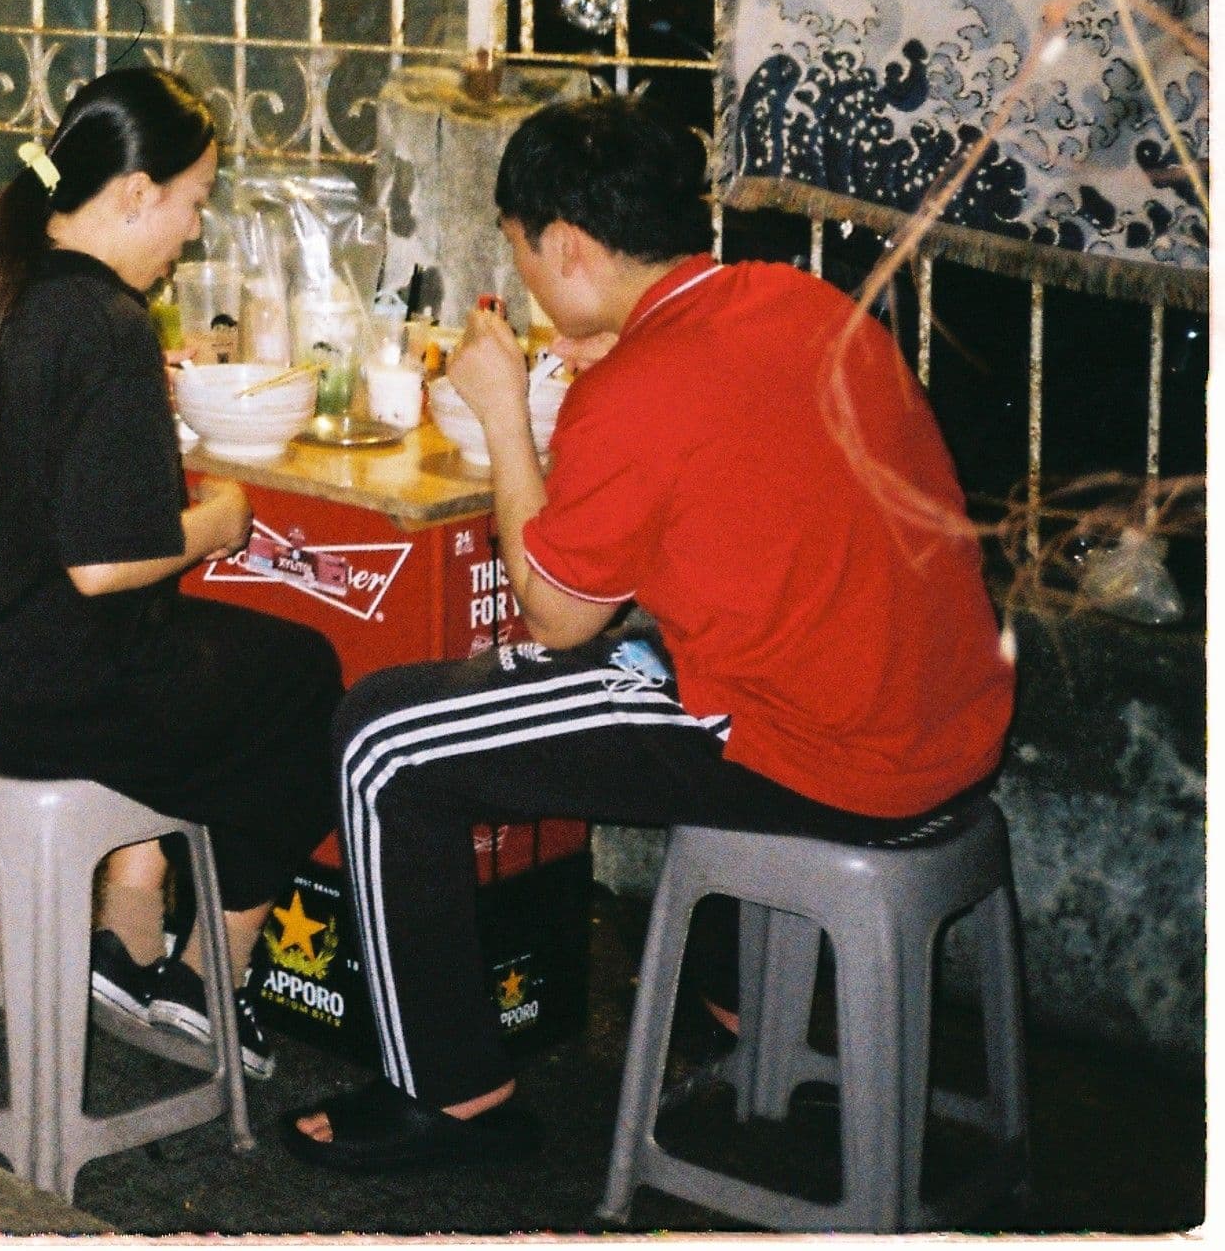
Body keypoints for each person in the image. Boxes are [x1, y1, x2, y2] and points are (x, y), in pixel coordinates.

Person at [285, 95, 1015, 1173]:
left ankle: (450, 1095)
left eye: (522, 249)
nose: (525, 273)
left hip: (835, 757)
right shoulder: (800, 300)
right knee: (684, 656)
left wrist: (499, 414)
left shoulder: (638, 386)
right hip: (948, 723)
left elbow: (562, 614)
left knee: (387, 739)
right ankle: (735, 999)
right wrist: (615, 382)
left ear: (567, 246)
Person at [0, 65, 338, 1084]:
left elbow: (25, 474)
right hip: (32, 697)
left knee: (207, 665)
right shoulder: (103, 322)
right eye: (193, 202)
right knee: (300, 679)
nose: (194, 233)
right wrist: (218, 521)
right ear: (135, 195)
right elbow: (105, 563)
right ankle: (212, 979)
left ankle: (124, 948)